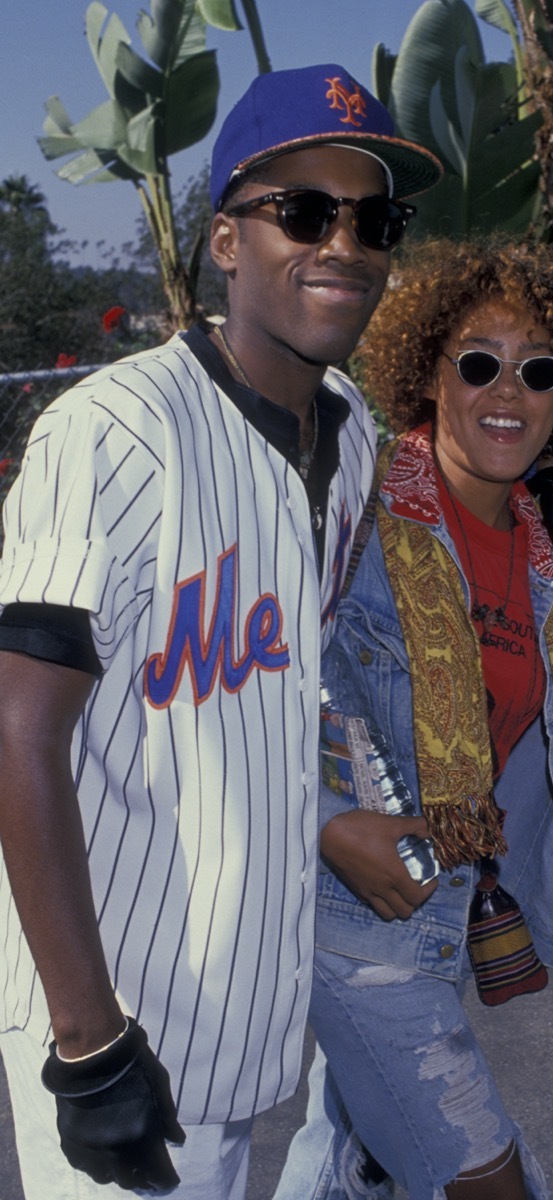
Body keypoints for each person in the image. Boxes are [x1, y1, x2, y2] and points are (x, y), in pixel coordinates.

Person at [0, 63, 441, 1199]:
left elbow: (279, 698)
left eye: (373, 219)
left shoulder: (350, 435)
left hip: (246, 999)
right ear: (228, 242)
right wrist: (90, 1045)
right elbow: (16, 728)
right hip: (116, 1004)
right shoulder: (114, 430)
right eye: (303, 210)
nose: (343, 243)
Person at [274, 238, 553, 1200]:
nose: (508, 390)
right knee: (481, 1177)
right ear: (427, 372)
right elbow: (276, 696)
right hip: (353, 926)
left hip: (439, 909)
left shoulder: (544, 533)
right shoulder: (354, 515)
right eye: (479, 361)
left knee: (349, 1153)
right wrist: (328, 822)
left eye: (538, 370)